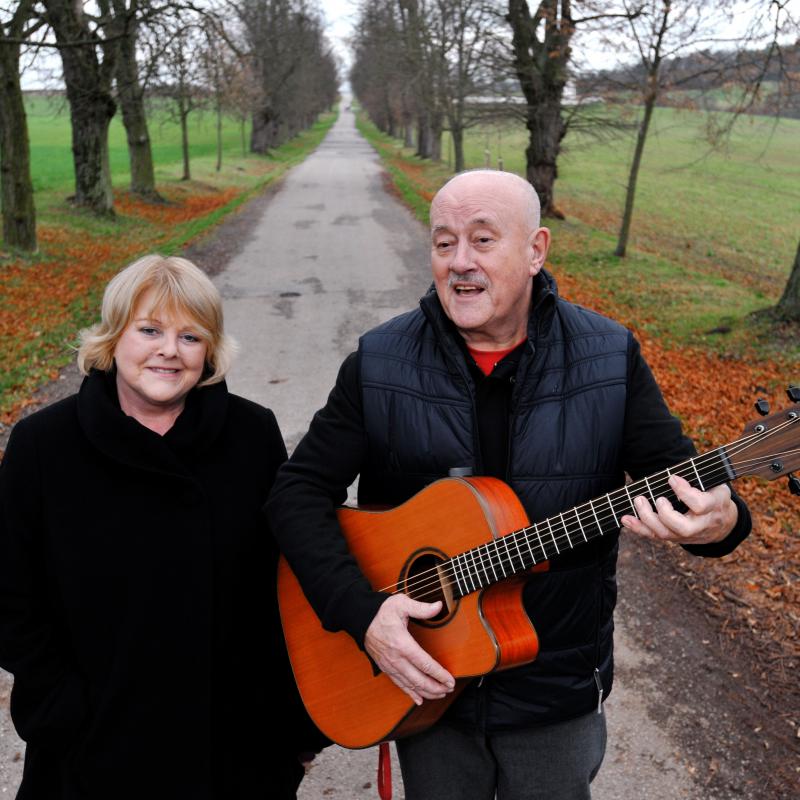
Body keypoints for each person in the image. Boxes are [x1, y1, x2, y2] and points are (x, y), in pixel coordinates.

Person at [266, 170, 751, 800]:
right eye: (444, 244)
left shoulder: (609, 358)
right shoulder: (379, 362)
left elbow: (695, 496)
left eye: (482, 240)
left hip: (556, 691)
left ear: (536, 250)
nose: (460, 263)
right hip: (427, 681)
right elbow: (296, 493)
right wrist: (364, 616)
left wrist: (720, 523)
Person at [0, 255, 323, 799]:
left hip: (235, 751)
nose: (169, 351)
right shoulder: (42, 446)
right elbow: (9, 595)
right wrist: (66, 711)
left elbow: (289, 584)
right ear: (112, 337)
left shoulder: (251, 433)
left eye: (190, 336)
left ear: (211, 351)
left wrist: (291, 724)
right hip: (93, 751)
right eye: (149, 330)